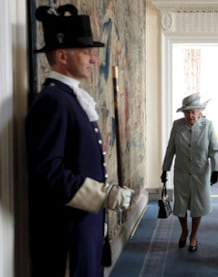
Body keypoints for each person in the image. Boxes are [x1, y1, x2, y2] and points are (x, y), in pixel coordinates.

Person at [25, 4, 134, 277]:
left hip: (84, 224)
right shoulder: (52, 101)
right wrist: (103, 194)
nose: (94, 60)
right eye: (86, 52)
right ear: (62, 55)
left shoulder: (69, 98)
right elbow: (47, 172)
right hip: (66, 228)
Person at [161, 92, 218, 252]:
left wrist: (216, 170)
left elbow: (214, 150)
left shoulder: (207, 126)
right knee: (180, 206)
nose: (190, 115)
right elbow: (170, 149)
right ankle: (184, 230)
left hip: (201, 173)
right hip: (181, 172)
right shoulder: (177, 125)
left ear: (199, 112)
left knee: (197, 206)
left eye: (193, 112)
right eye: (187, 112)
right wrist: (165, 169)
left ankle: (193, 235)